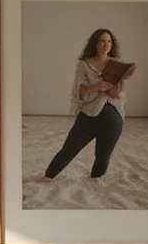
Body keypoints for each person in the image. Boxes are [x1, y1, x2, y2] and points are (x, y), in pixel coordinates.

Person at [37, 29, 137, 181]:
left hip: (113, 118)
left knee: (103, 158)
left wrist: (117, 84)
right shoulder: (84, 64)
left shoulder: (116, 65)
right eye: (102, 41)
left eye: (109, 41)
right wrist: (98, 86)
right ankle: (48, 176)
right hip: (89, 116)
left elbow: (116, 95)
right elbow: (80, 91)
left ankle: (95, 184)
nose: (106, 45)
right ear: (95, 44)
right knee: (68, 150)